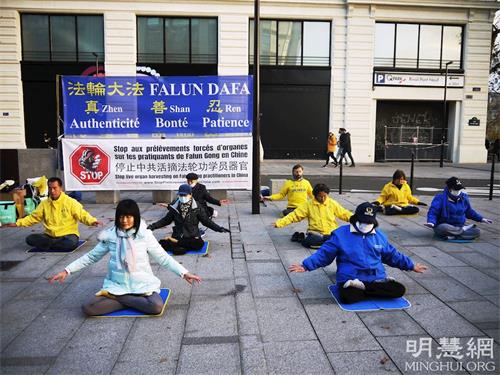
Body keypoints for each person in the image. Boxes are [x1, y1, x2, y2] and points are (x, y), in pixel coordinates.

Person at [47, 199, 201, 316]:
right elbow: (90, 257)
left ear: (135, 217)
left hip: (142, 285)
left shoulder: (144, 235)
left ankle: (118, 299)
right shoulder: (110, 236)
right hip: (118, 285)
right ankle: (130, 301)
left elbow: (163, 257)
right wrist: (67, 270)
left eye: (128, 216)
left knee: (156, 307)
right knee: (88, 308)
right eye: (121, 217)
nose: (124, 220)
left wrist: (184, 273)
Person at [289, 202, 427, 304]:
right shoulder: (340, 234)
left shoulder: (379, 236)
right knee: (347, 298)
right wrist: (306, 265)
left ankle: (369, 287)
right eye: (363, 221)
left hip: (376, 276)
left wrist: (410, 265)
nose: (366, 224)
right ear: (356, 219)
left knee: (399, 290)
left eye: (369, 221)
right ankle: (370, 289)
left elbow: (392, 255)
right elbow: (325, 254)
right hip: (351, 278)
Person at [2, 177, 102, 250]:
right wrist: (17, 223)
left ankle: (49, 244)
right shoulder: (44, 203)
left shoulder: (70, 202)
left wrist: (92, 221)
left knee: (71, 243)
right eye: (50, 188)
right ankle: (52, 243)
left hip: (68, 235)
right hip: (50, 235)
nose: (52, 191)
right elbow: (33, 218)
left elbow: (82, 214)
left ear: (60, 188)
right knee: (29, 239)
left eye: (55, 188)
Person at [148, 184, 230, 255]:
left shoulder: (197, 207)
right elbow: (166, 220)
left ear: (190, 195)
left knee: (199, 244)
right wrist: (152, 227)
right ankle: (178, 244)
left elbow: (206, 221)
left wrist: (219, 228)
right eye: (181, 195)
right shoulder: (174, 207)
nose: (182, 197)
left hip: (192, 236)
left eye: (185, 195)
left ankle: (176, 244)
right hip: (178, 235)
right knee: (163, 244)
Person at [274, 183, 352, 248]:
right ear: (315, 195)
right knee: (309, 241)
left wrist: (356, 218)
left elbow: (344, 213)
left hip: (330, 232)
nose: (323, 198)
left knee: (343, 235)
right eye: (320, 196)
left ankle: (327, 242)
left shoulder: (332, 203)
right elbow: (295, 215)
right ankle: (329, 243)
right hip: (316, 233)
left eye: (325, 196)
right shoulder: (308, 204)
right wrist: (280, 223)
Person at [426, 177, 493, 240]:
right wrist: (431, 222)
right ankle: (461, 232)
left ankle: (454, 235)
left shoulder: (464, 197)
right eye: (456, 189)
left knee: (477, 231)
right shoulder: (440, 198)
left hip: (459, 225)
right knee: (443, 228)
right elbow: (433, 212)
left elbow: (469, 211)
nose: (458, 191)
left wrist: (481, 219)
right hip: (444, 225)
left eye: (459, 189)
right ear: (450, 189)